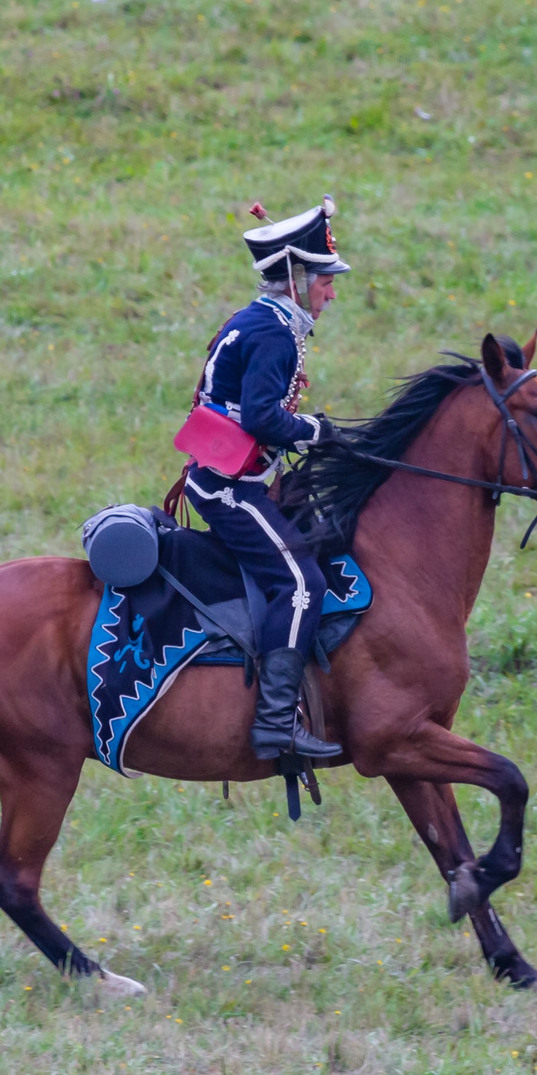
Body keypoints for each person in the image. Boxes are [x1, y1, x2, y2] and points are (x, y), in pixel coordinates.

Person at [176, 197, 349, 765]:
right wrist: (318, 432)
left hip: (240, 478)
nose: (331, 291)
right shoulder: (274, 332)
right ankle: (276, 726)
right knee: (303, 584)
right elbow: (260, 419)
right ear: (298, 279)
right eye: (325, 280)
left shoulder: (266, 321)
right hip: (230, 488)